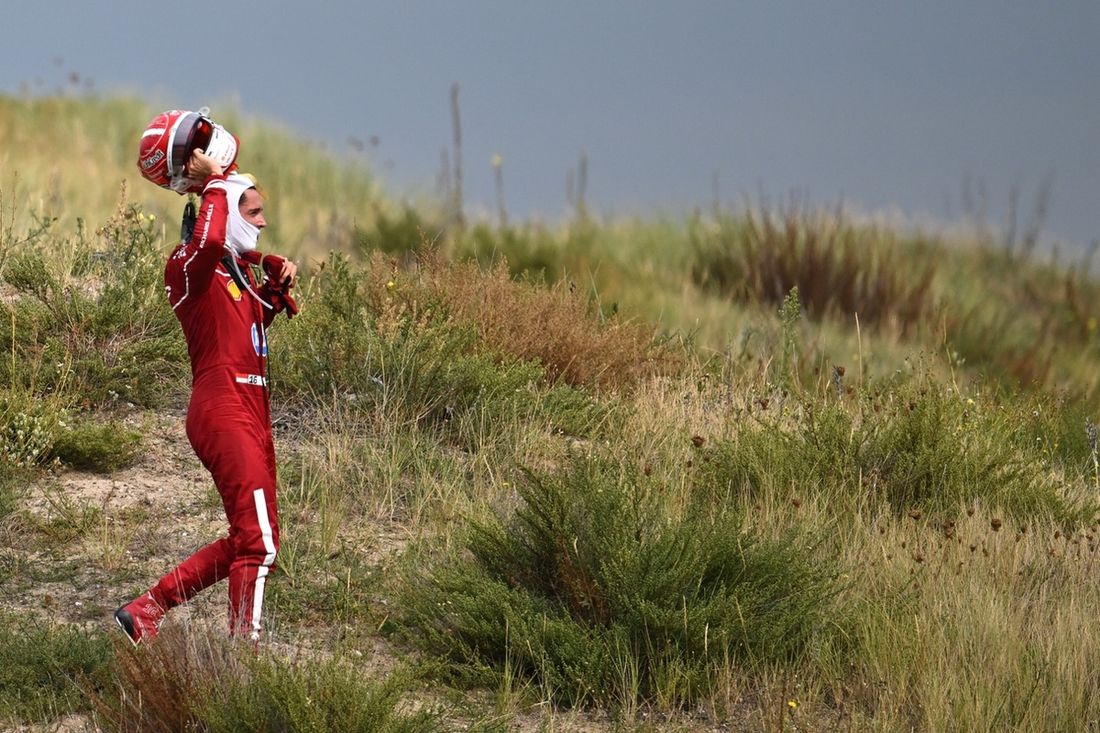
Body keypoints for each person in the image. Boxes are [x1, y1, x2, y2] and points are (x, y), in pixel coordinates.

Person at [115, 149, 298, 643]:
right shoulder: (189, 266)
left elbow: (242, 337)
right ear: (228, 211)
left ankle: (147, 609)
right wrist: (215, 180)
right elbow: (211, 238)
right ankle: (244, 664)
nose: (263, 222)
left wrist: (273, 291)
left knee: (254, 540)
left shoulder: (235, 275)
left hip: (251, 409)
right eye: (254, 212)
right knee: (258, 545)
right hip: (224, 408)